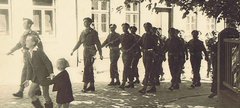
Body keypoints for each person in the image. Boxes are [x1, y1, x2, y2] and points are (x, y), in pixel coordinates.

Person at [7, 18, 42, 98]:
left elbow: (39, 44)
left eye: (24, 23)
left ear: (29, 25)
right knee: (32, 71)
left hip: (32, 55)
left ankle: (21, 91)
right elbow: (19, 44)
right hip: (26, 56)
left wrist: (37, 55)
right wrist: (11, 51)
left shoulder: (33, 34)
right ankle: (37, 89)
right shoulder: (23, 34)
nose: (23, 25)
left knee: (25, 72)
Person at [71, 17, 103, 92]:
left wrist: (100, 54)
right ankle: (92, 86)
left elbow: (98, 43)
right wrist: (73, 50)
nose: (85, 23)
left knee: (86, 68)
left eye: (86, 22)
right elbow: (79, 42)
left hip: (92, 51)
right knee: (89, 68)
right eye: (84, 22)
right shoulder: (83, 32)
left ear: (90, 23)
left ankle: (85, 86)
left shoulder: (94, 32)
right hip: (85, 51)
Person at [209, 19, 239, 98]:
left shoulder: (223, 33)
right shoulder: (237, 33)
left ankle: (216, 90)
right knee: (232, 73)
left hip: (222, 57)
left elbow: (216, 46)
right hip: (234, 58)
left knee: (218, 73)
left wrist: (213, 48)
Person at [23, 35, 53, 108]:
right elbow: (29, 67)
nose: (25, 42)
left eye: (27, 41)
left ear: (33, 43)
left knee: (45, 95)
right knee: (30, 94)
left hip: (44, 76)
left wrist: (51, 73)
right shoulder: (27, 53)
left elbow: (47, 62)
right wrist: (27, 79)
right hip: (35, 77)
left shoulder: (39, 51)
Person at [138, 22, 158, 94]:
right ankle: (153, 87)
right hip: (145, 55)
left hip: (151, 55)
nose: (146, 28)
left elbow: (157, 46)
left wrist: (152, 50)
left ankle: (145, 87)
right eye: (145, 27)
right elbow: (139, 43)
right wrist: (141, 49)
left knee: (148, 71)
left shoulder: (154, 36)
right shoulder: (144, 35)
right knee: (149, 71)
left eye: (147, 27)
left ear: (150, 27)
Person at [118, 23, 136, 90]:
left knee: (126, 67)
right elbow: (118, 42)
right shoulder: (121, 36)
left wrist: (129, 50)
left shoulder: (131, 36)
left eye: (125, 27)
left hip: (129, 53)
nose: (123, 29)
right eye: (123, 27)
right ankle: (131, 82)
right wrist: (121, 49)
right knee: (128, 68)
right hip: (124, 53)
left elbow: (135, 44)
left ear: (128, 28)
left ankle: (123, 82)